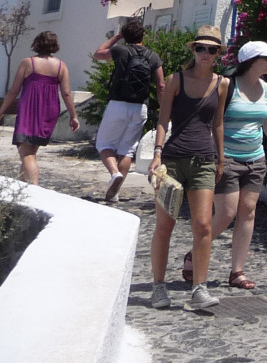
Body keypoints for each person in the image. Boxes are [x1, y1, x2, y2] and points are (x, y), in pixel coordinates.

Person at [206, 40, 267, 290]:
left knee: (248, 211)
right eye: (265, 58)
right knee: (226, 213)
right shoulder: (228, 86)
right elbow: (214, 122)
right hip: (227, 159)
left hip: (255, 159)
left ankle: (237, 271)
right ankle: (198, 249)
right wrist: (218, 157)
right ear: (250, 61)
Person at [148, 30, 228, 311]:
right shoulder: (176, 80)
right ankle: (159, 287)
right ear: (193, 50)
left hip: (204, 160)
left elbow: (218, 123)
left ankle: (199, 287)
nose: (206, 54)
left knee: (204, 224)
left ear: (218, 55)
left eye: (212, 50)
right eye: (201, 48)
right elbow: (162, 119)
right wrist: (157, 154)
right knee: (165, 224)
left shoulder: (222, 84)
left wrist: (220, 158)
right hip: (172, 160)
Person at [92, 18, 168, 201]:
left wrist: (116, 37)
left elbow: (98, 54)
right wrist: (163, 109)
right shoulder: (153, 56)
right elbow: (161, 85)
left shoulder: (120, 50)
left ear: (126, 36)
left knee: (104, 145)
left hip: (118, 104)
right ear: (143, 35)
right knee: (127, 150)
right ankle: (115, 193)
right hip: (140, 107)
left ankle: (114, 174)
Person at [0, 31, 79, 184]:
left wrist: (2, 110)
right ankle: (23, 189)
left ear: (37, 43)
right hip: (49, 111)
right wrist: (73, 116)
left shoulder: (28, 63)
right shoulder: (61, 66)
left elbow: (14, 90)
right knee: (31, 152)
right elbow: (67, 93)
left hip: (29, 110)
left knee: (26, 154)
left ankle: (34, 189)